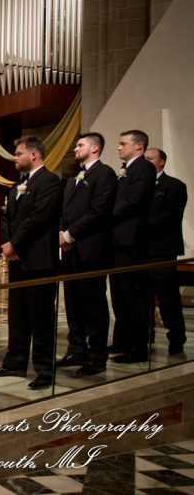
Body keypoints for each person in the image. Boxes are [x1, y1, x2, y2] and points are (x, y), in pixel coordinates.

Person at [0, 136, 62, 390]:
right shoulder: (16, 185)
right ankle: (14, 362)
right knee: (17, 315)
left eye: (18, 153)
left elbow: (39, 217)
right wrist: (8, 244)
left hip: (40, 260)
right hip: (18, 260)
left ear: (33, 155)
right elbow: (7, 217)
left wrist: (15, 244)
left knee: (41, 318)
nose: (15, 157)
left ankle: (44, 370)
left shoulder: (50, 181)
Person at [57, 133, 116, 376]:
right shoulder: (73, 178)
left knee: (93, 305)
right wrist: (61, 232)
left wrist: (70, 235)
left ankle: (97, 356)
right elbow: (65, 209)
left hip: (91, 250)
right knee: (73, 303)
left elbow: (99, 212)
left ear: (95, 148)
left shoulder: (105, 174)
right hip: (71, 252)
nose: (76, 148)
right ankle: (76, 349)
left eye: (80, 145)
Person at [108, 130, 156, 363]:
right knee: (118, 294)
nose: (119, 147)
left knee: (133, 294)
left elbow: (133, 201)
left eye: (123, 143)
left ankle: (138, 347)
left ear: (139, 146)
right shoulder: (126, 170)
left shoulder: (144, 168)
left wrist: (106, 214)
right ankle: (122, 341)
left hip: (132, 240)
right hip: (118, 240)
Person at [144, 148, 187, 357]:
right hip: (141, 250)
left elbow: (170, 215)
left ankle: (176, 338)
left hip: (162, 249)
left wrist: (141, 228)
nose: (146, 162)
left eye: (150, 159)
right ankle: (145, 335)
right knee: (142, 296)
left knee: (167, 296)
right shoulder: (140, 186)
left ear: (161, 162)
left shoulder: (174, 186)